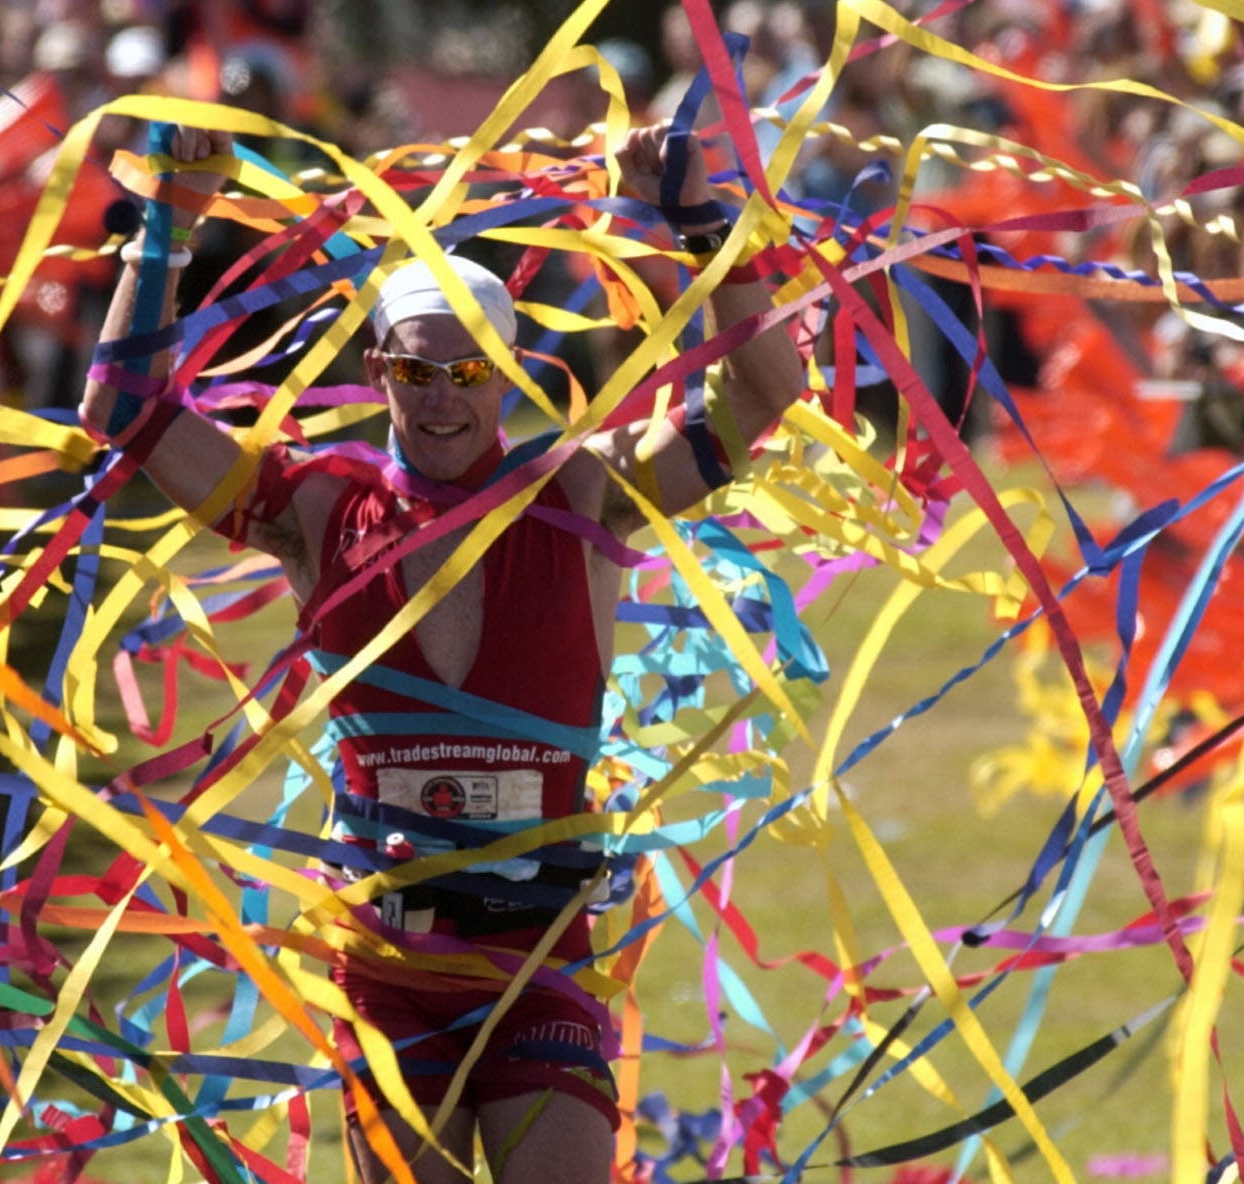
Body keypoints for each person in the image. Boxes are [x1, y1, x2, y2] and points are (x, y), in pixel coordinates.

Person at [81, 120, 805, 1184]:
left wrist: (701, 217)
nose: (441, 396)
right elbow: (126, 411)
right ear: (379, 371)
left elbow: (763, 394)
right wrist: (168, 223)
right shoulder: (318, 506)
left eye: (468, 368)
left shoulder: (584, 491)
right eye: (417, 369)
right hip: (390, 962)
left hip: (542, 958)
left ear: (506, 370)